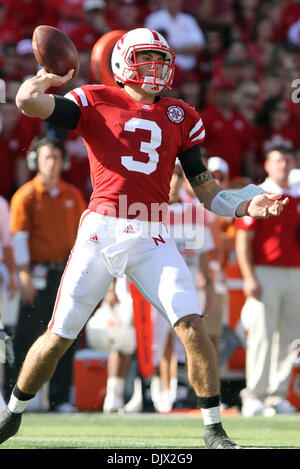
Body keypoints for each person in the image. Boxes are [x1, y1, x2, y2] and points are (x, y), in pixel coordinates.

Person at [0, 27, 288, 449]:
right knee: (59, 335)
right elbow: (27, 103)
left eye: (160, 59)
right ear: (121, 63)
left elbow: (205, 190)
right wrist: (46, 77)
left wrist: (246, 205)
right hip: (101, 230)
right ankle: (12, 415)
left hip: (153, 232)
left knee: (192, 324)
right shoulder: (94, 98)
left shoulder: (181, 115)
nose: (154, 67)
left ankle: (214, 431)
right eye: (145, 58)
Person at [8, 137, 86, 412]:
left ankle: (60, 397)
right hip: (35, 273)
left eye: (55, 157)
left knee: (66, 334)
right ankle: (14, 394)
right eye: (46, 158)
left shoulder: (73, 195)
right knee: (27, 336)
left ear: (63, 161)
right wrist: (24, 275)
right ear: (35, 162)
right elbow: (19, 238)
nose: (52, 163)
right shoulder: (25, 195)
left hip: (65, 273)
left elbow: (83, 237)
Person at [235, 145, 300, 417]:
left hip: (295, 272)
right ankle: (255, 395)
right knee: (262, 335)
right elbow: (243, 239)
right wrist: (249, 276)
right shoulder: (258, 194)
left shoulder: (296, 195)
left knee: (291, 338)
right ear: (267, 165)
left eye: (287, 159)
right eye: (277, 160)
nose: (283, 165)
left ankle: (277, 395)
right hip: (265, 271)